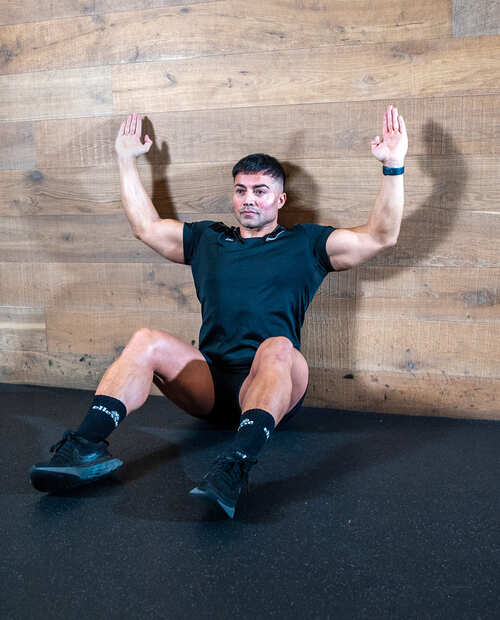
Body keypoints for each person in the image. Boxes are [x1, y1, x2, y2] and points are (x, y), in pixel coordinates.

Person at [30, 106, 408, 518]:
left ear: (279, 199)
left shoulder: (307, 245)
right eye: (241, 190)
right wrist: (125, 160)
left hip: (271, 384)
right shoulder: (208, 239)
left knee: (278, 346)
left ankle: (234, 469)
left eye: (260, 191)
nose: (249, 199)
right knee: (145, 340)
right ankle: (84, 446)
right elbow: (146, 227)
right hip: (211, 385)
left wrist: (393, 166)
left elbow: (381, 236)